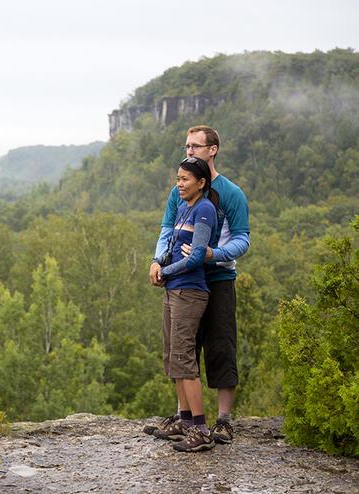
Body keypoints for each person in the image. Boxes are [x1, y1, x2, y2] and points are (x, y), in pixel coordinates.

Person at [146, 126, 250, 444]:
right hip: (184, 280)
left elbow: (243, 239)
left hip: (217, 278)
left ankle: (222, 421)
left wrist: (212, 254)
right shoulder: (181, 192)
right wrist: (156, 261)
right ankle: (184, 417)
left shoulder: (230, 193)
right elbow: (169, 230)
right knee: (182, 349)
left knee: (219, 346)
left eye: (195, 146)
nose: (189, 150)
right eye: (186, 145)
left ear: (212, 149)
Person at [150, 156, 219, 452]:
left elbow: (194, 258)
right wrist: (158, 263)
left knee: (185, 359)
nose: (179, 184)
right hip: (173, 290)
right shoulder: (182, 208)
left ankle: (201, 430)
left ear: (201, 183)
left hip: (190, 292)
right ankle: (185, 421)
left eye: (185, 179)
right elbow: (173, 248)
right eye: (178, 178)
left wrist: (165, 272)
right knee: (173, 356)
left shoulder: (204, 209)